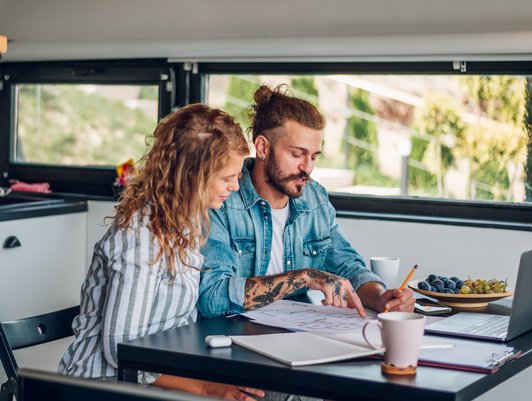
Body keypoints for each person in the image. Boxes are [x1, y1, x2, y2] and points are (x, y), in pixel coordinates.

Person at [58, 103, 266, 401]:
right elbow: (122, 351)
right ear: (193, 175)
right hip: (100, 387)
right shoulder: (141, 237)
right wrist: (207, 388)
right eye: (227, 177)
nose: (235, 186)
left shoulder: (187, 223)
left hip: (154, 380)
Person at [198, 85, 415, 318]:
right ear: (263, 147)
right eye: (297, 154)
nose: (307, 167)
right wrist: (303, 277)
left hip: (297, 334)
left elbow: (349, 268)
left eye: (313, 156)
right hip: (233, 337)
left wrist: (382, 297)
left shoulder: (315, 199)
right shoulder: (223, 199)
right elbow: (212, 296)